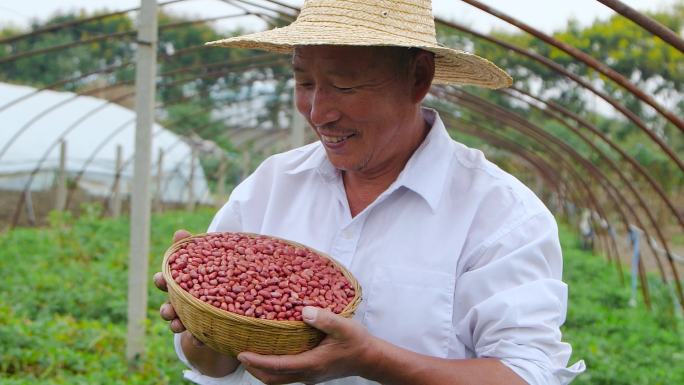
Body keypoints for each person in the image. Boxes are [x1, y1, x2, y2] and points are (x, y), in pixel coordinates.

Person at [153, 1, 585, 384]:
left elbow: (526, 374)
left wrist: (370, 360)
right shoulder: (271, 186)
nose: (319, 111)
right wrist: (203, 324)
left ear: (418, 78)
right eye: (304, 83)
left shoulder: (499, 214)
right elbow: (215, 367)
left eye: (344, 86)